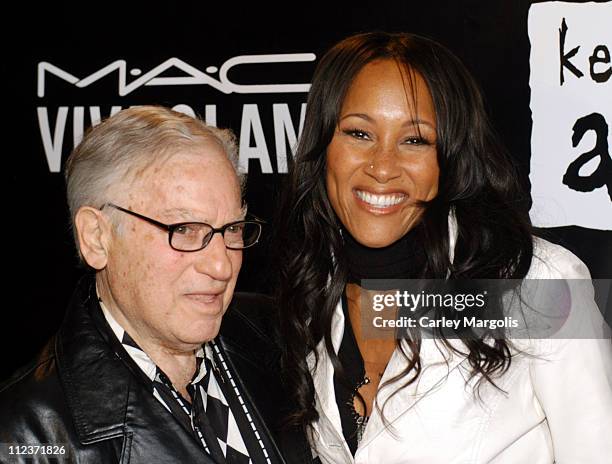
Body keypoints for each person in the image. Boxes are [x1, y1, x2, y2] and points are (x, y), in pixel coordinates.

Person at [274, 32, 612, 463]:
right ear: (324, 148)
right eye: (359, 133)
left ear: (450, 157)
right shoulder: (314, 291)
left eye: (415, 140)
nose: (381, 167)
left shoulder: (536, 284)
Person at [0, 106, 289, 464]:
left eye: (231, 229)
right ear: (96, 238)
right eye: (183, 229)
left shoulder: (276, 339)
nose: (221, 265)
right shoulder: (28, 436)